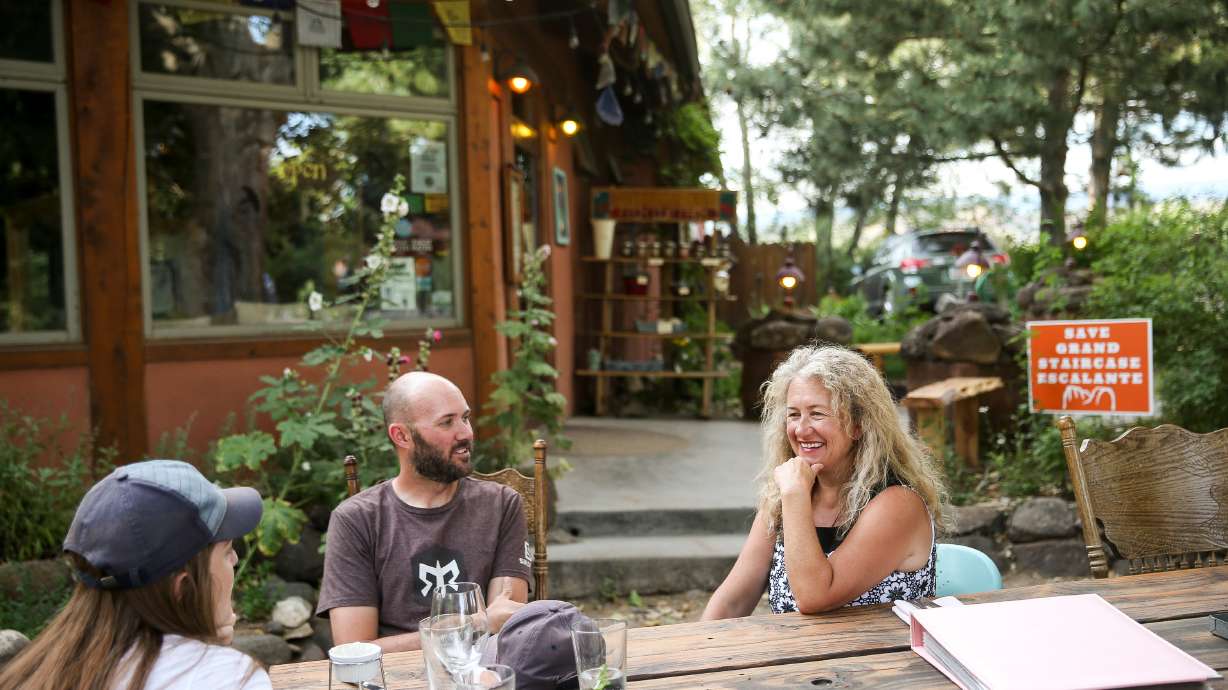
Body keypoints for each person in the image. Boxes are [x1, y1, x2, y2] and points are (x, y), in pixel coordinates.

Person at [703, 345, 950, 618]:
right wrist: (700, 652)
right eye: (794, 414)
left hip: (882, 659)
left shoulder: (897, 503)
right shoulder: (787, 494)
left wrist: (796, 498)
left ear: (858, 425)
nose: (801, 429)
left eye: (817, 413)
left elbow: (814, 597)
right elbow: (732, 601)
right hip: (797, 658)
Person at [0, 459, 269, 690]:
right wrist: (207, 656)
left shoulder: (31, 673)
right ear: (183, 588)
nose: (234, 560)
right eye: (226, 551)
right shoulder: (228, 679)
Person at [317, 371, 530, 652]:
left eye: (465, 417)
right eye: (447, 422)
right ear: (402, 435)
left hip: (480, 675)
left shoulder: (501, 505)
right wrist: (476, 624)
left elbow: (505, 630)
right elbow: (354, 651)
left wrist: (483, 624)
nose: (466, 432)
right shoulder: (357, 519)